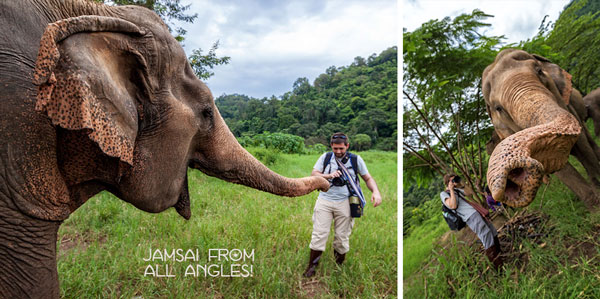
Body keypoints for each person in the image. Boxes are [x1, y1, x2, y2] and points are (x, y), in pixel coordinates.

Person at [302, 132, 382, 278]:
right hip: (324, 200)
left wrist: (376, 191)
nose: (338, 152)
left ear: (347, 146)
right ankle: (312, 267)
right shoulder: (325, 158)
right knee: (319, 235)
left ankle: (338, 267)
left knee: (342, 237)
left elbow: (367, 178)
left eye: (341, 149)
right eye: (335, 148)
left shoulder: (356, 160)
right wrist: (329, 175)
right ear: (331, 146)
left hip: (345, 202)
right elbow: (314, 174)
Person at [441, 174, 503, 270]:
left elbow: (470, 193)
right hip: (471, 217)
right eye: (452, 180)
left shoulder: (458, 190)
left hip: (477, 213)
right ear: (447, 182)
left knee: (492, 231)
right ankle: (497, 266)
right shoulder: (444, 194)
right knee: (486, 235)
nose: (455, 181)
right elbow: (453, 205)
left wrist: (461, 184)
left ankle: (500, 256)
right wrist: (451, 190)